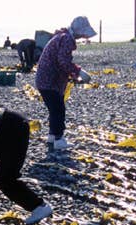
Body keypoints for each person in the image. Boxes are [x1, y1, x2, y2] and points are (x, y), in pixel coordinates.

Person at [35, 16, 95, 151]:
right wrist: (79, 72)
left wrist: (73, 76)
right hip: (49, 81)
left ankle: (51, 137)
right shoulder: (67, 39)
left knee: (54, 109)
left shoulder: (61, 36)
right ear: (79, 31)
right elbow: (63, 61)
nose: (83, 36)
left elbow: (60, 62)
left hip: (44, 80)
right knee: (58, 110)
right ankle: (58, 139)